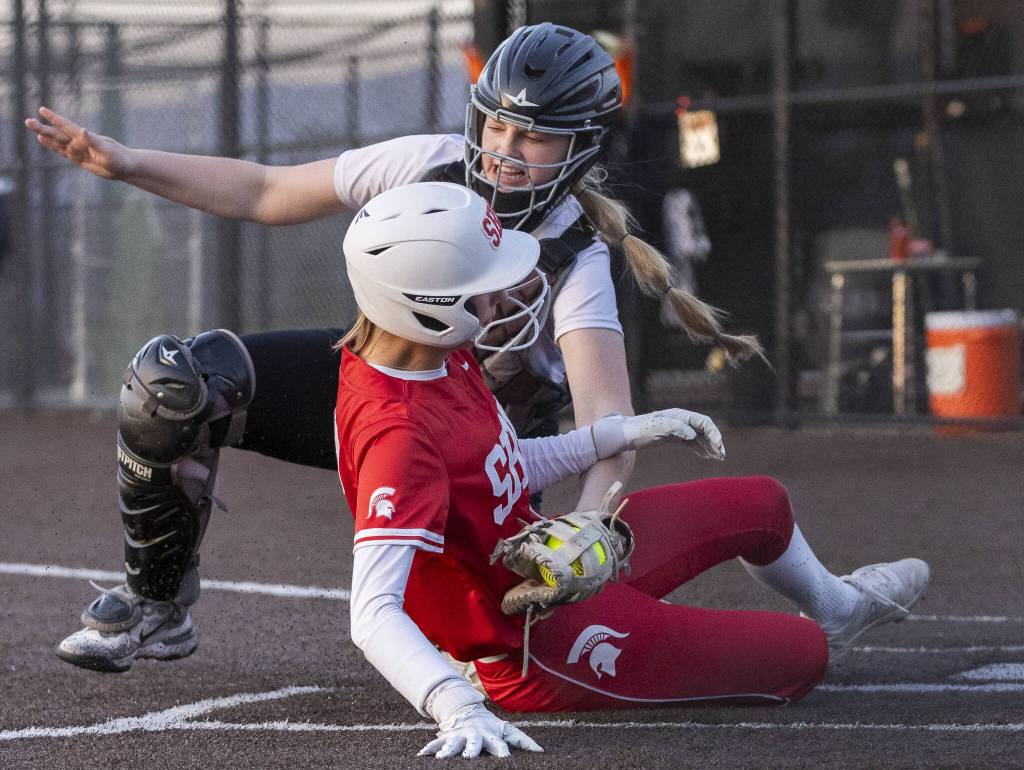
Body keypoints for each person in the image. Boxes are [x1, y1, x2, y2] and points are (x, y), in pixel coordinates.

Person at [33, 24, 762, 672]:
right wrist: (128, 164)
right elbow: (264, 190)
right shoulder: (430, 162)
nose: (505, 151)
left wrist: (590, 527)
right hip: (375, 398)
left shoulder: (577, 255)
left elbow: (611, 422)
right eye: (497, 126)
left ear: (581, 148)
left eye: (534, 136)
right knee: (174, 384)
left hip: (476, 463)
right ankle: (158, 605)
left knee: (488, 641)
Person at [332, 182, 926, 759]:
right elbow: (374, 613)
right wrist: (454, 704)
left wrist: (620, 432)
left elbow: (498, 464)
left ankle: (840, 609)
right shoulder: (399, 431)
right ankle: (478, 672)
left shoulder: (434, 352)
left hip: (547, 565)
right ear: (427, 304)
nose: (506, 294)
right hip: (529, 643)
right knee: (802, 657)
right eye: (484, 285)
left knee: (762, 504)